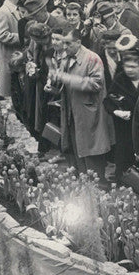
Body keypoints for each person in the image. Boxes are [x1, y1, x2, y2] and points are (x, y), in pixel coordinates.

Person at [50, 28, 114, 178]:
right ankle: (83, 185)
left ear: (78, 42)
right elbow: (63, 82)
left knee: (92, 153)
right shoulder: (67, 57)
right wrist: (53, 84)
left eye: (68, 43)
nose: (64, 47)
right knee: (75, 150)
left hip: (89, 115)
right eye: (63, 43)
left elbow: (96, 84)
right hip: (72, 113)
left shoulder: (92, 59)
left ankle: (97, 189)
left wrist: (68, 79)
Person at [104, 50, 139, 184]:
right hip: (124, 126)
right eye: (126, 67)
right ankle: (123, 184)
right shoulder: (120, 79)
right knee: (124, 155)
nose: (129, 70)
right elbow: (108, 100)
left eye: (133, 67)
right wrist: (117, 112)